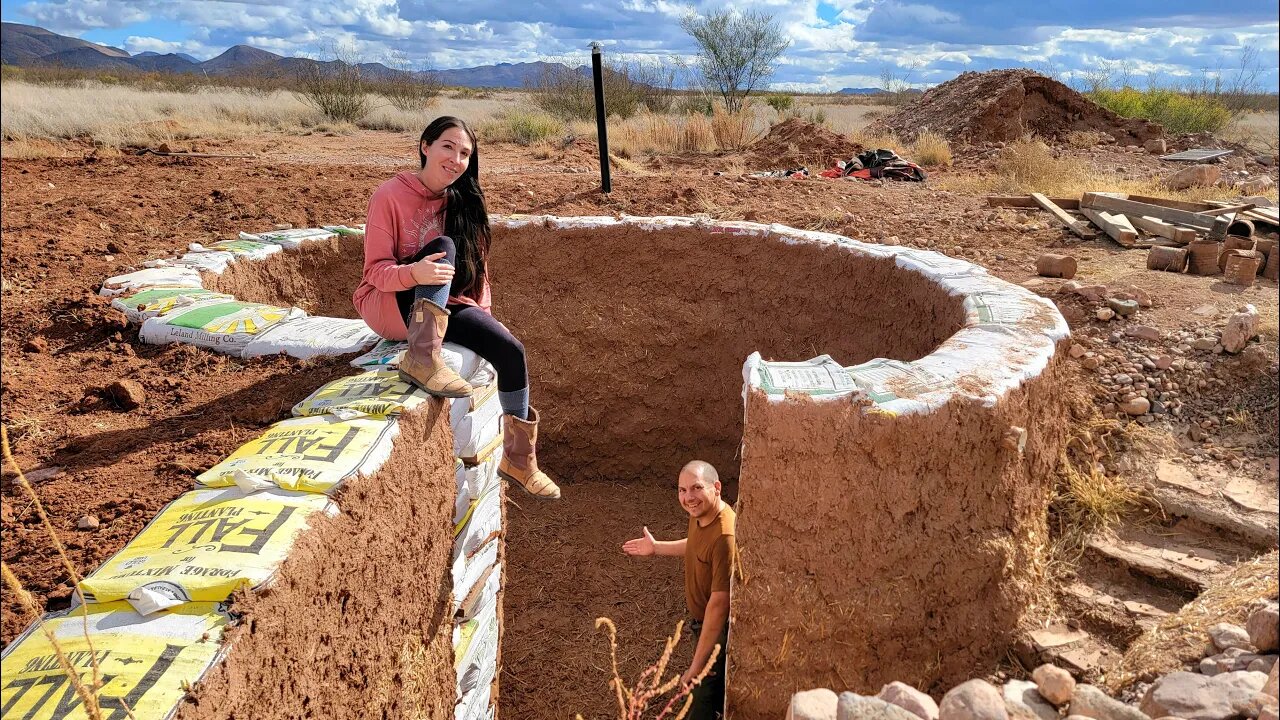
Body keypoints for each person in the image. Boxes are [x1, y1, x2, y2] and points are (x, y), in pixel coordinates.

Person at [353, 116, 559, 500]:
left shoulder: (463, 201)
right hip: (387, 301)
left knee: (510, 350)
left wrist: (485, 321)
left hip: (444, 303)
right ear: (425, 146)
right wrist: (415, 271)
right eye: (448, 146)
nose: (457, 159)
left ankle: (519, 459)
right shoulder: (389, 195)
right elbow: (376, 273)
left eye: (465, 153)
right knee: (443, 247)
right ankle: (422, 359)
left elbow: (478, 275)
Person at [622, 460, 735, 719]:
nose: (688, 498)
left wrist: (694, 668)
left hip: (717, 630)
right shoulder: (704, 516)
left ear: (716, 487)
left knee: (699, 701)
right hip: (703, 624)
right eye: (682, 490)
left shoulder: (725, 536)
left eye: (696, 488)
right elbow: (696, 544)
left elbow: (719, 606)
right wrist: (657, 548)